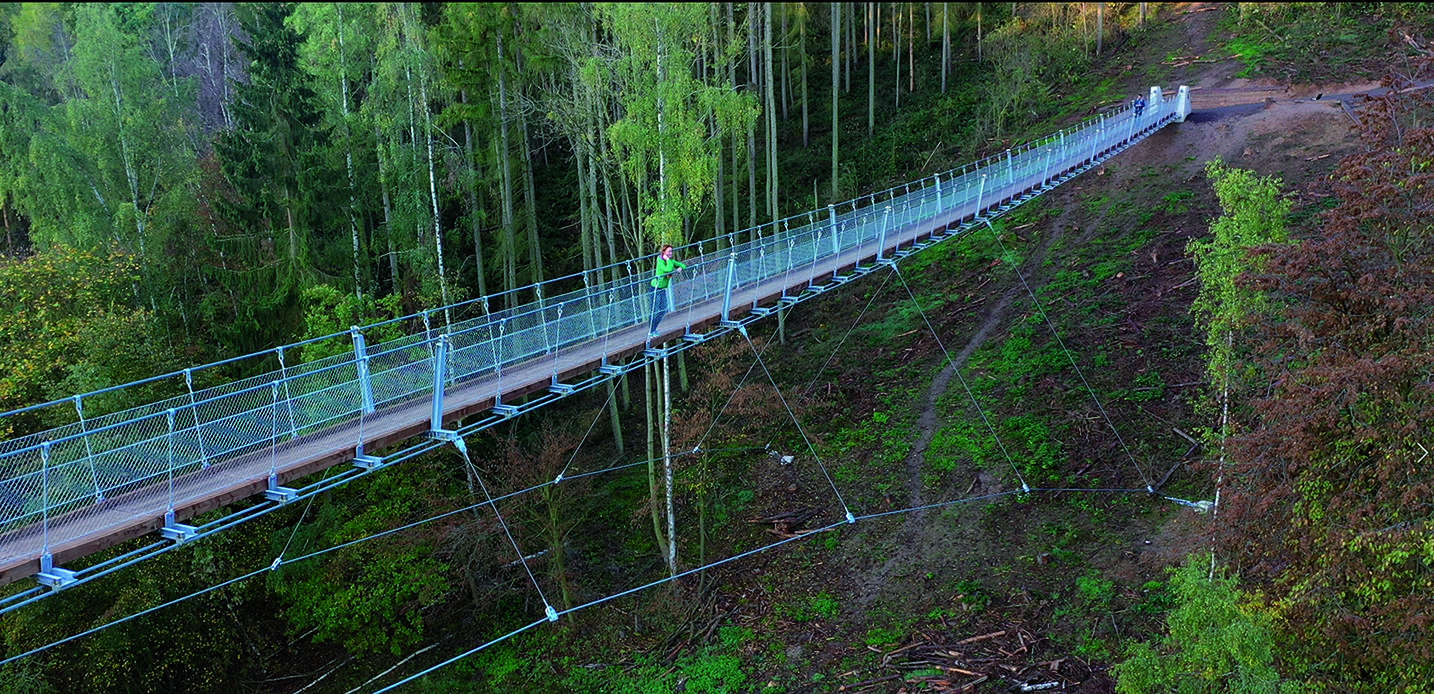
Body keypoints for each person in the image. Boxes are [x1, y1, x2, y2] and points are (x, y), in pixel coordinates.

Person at [647, 244, 686, 338]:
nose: (671, 253)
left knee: (663, 309)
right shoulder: (660, 261)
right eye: (669, 251)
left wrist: (680, 268)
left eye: (671, 251)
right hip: (655, 288)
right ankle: (650, 331)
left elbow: (683, 265)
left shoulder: (671, 261)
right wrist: (669, 261)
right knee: (655, 310)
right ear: (664, 253)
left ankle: (653, 329)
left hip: (662, 289)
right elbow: (668, 269)